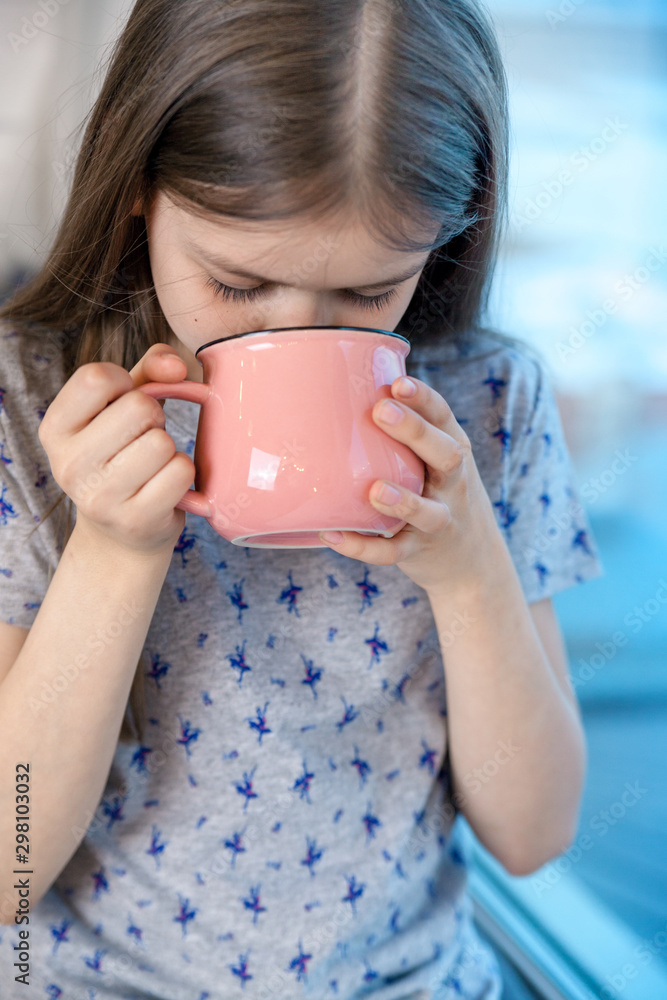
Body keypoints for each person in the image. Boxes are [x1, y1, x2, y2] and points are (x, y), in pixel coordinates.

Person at [0, 0, 604, 997]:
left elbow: (533, 834)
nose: (299, 334)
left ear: (442, 245)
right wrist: (112, 551)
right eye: (238, 284)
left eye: (370, 294)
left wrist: (467, 573)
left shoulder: (488, 408)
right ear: (139, 193)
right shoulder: (29, 403)